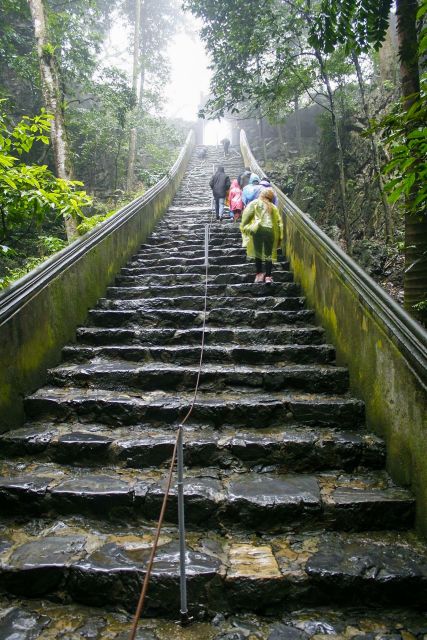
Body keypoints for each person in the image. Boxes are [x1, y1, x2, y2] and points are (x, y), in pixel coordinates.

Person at [240, 188, 283, 284]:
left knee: (258, 252)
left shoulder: (255, 203)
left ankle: (259, 275)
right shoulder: (273, 207)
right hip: (270, 231)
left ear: (261, 195)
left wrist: (245, 227)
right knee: (268, 254)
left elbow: (246, 215)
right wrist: (280, 237)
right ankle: (268, 276)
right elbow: (279, 223)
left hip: (258, 230)